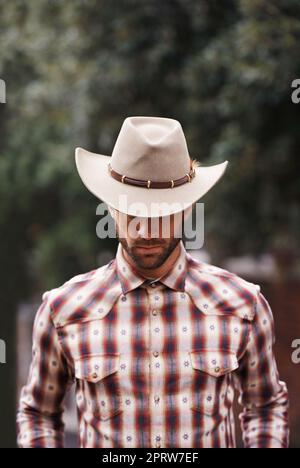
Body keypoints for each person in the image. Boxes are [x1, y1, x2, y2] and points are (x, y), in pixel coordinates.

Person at [17, 116, 289, 448]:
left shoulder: (243, 306)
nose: (146, 232)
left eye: (162, 214)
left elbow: (265, 407)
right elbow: (39, 414)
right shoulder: (62, 311)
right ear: (111, 208)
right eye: (133, 213)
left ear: (188, 210)